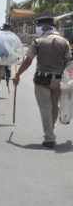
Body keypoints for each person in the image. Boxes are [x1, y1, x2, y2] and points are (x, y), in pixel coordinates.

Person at [12, 16, 72, 148]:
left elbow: (28, 61)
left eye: (39, 26)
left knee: (45, 107)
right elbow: (68, 63)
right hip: (59, 79)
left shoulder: (38, 41)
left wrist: (17, 74)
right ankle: (51, 130)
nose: (37, 29)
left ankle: (49, 137)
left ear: (45, 27)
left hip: (42, 79)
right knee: (54, 106)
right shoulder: (64, 42)